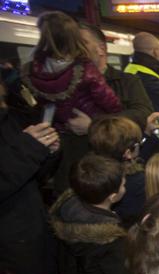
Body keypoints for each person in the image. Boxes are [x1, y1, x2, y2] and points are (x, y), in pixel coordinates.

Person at [22, 12, 124, 196]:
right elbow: (112, 104)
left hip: (59, 139)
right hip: (91, 145)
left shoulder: (33, 71)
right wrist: (96, 123)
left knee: (69, 189)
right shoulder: (85, 69)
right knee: (95, 188)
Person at [0, 80, 59, 274]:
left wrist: (45, 153)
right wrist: (28, 149)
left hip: (26, 234)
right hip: (9, 255)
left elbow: (29, 176)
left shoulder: (10, 116)